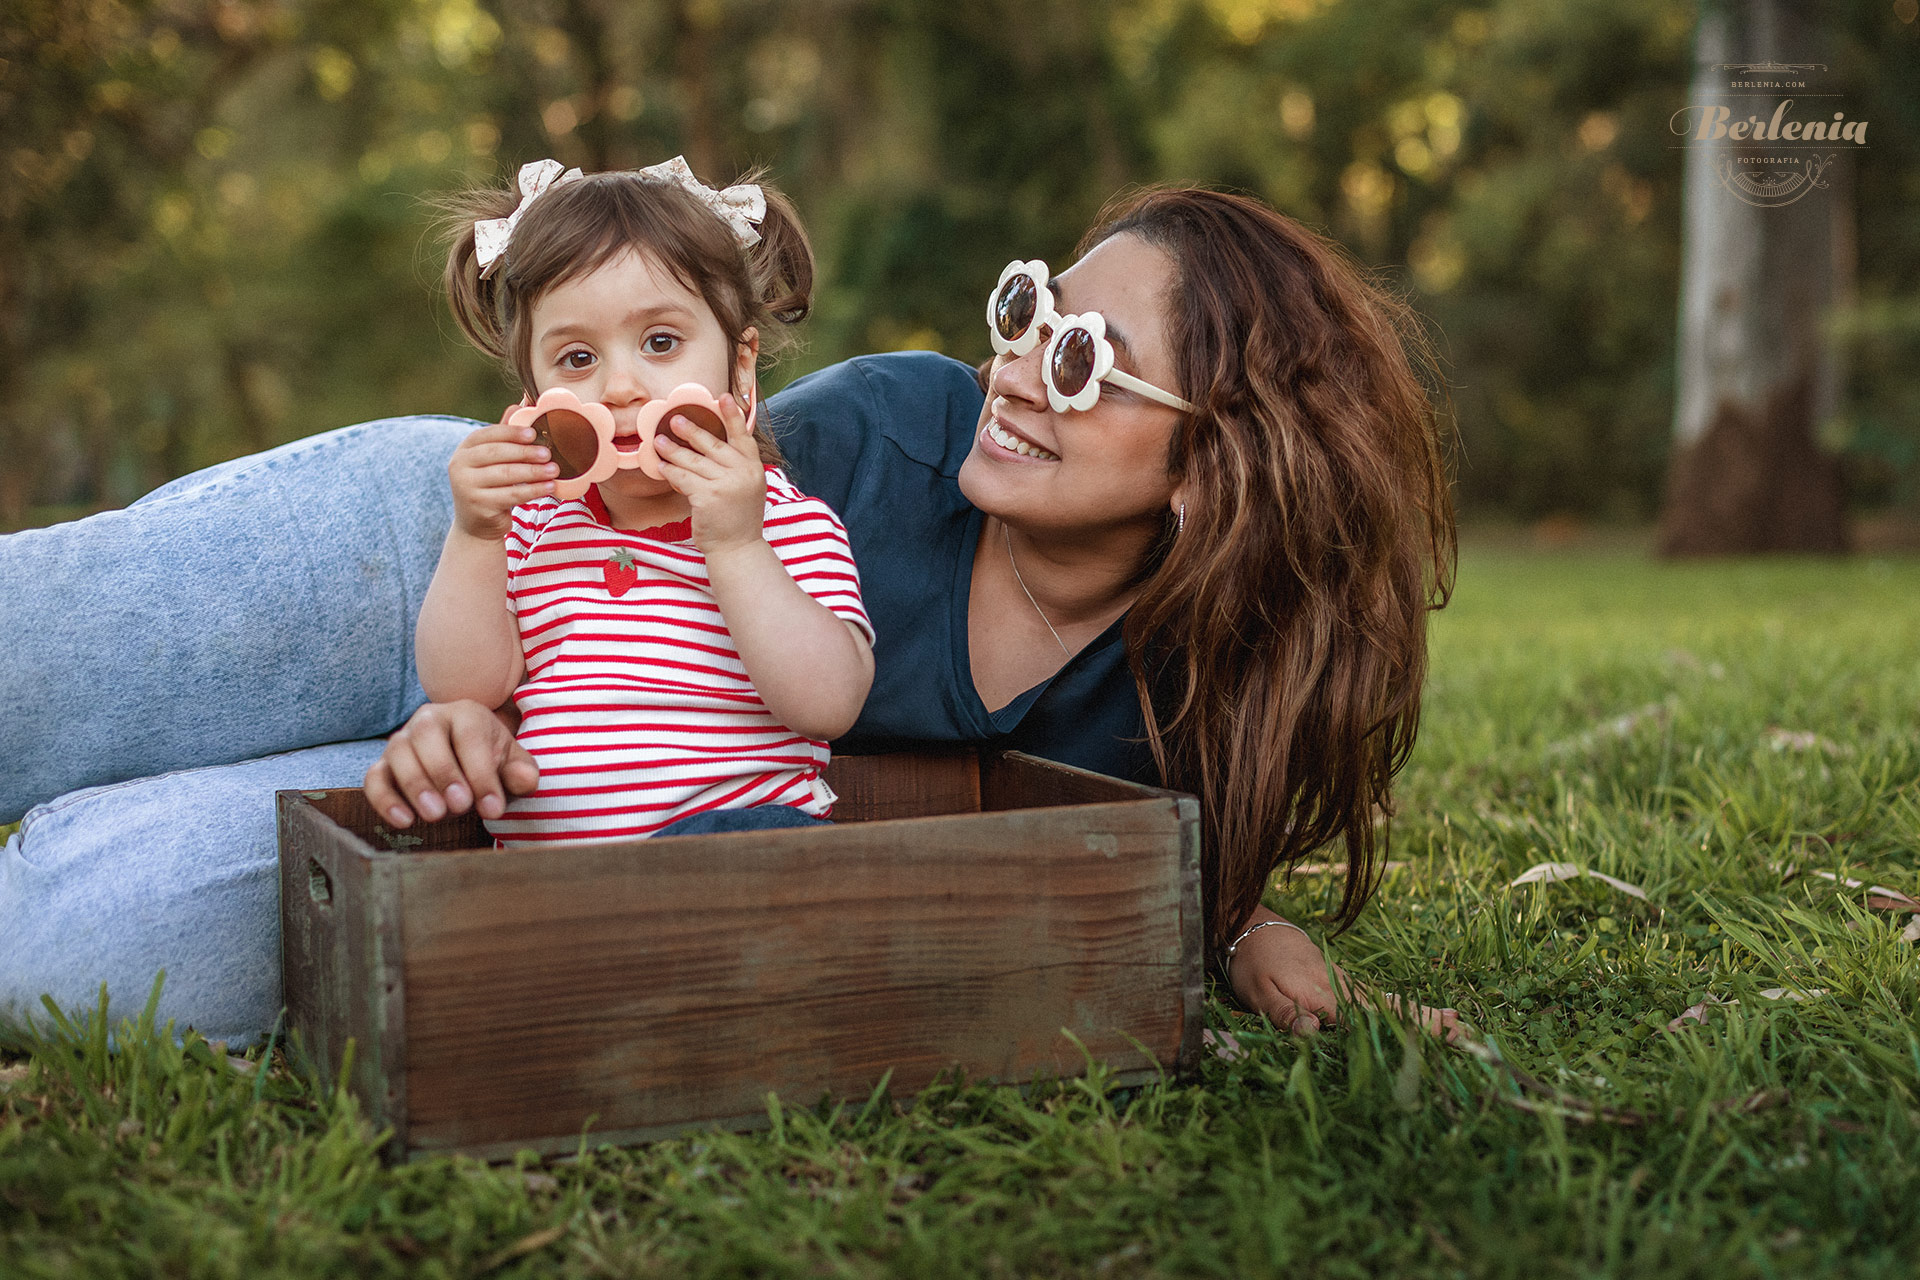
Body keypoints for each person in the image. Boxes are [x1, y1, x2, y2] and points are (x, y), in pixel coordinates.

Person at [0, 185, 1455, 1047]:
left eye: (1080, 359)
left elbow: (1118, 866)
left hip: (520, 815)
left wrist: (1236, 920)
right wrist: (479, 538)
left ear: (1212, 463)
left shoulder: (1145, 717)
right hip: (455, 556)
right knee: (35, 670)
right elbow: (644, 428)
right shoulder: (895, 428)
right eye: (1027, 312)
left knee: (67, 951)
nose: (1013, 369)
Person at [419, 157, 872, 844]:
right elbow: (464, 692)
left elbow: (829, 705)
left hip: (737, 854)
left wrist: (736, 546)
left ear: (739, 365)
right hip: (560, 896)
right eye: (577, 358)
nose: (622, 386)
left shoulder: (782, 522)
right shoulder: (534, 528)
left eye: (660, 342)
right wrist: (477, 538)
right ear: (534, 396)